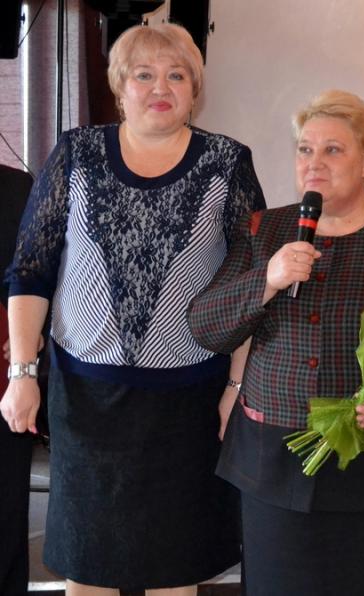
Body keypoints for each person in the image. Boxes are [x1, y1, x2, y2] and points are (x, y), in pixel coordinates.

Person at [1, 23, 265, 595]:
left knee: (174, 569)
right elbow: (30, 270)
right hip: (86, 404)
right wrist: (22, 373)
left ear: (195, 89)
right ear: (121, 87)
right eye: (144, 75)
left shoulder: (227, 163)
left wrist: (235, 388)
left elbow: (251, 287)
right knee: (88, 566)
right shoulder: (75, 154)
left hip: (189, 406)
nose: (160, 88)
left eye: (177, 75)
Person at [187, 89, 364, 596]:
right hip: (275, 466)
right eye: (305, 149)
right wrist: (266, 281)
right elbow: (206, 327)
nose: (314, 162)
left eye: (333, 150)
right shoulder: (265, 228)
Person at [0, 164, 35, 596]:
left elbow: (37, 272)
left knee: (6, 514)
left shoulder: (16, 187)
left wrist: (31, 332)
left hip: (7, 381)